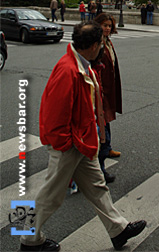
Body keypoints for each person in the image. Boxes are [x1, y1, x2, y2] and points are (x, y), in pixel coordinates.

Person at [19, 22, 146, 252]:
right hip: (69, 143)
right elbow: (55, 113)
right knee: (50, 195)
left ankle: (118, 230)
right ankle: (28, 240)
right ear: (95, 45)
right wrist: (65, 144)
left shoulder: (79, 64)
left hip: (80, 141)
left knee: (97, 187)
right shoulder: (69, 70)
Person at [94, 13, 122, 184]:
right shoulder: (96, 44)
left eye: (110, 25)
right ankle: (101, 167)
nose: (107, 28)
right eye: (105, 25)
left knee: (106, 120)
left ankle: (107, 148)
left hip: (107, 87)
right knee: (102, 124)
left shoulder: (108, 42)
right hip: (100, 89)